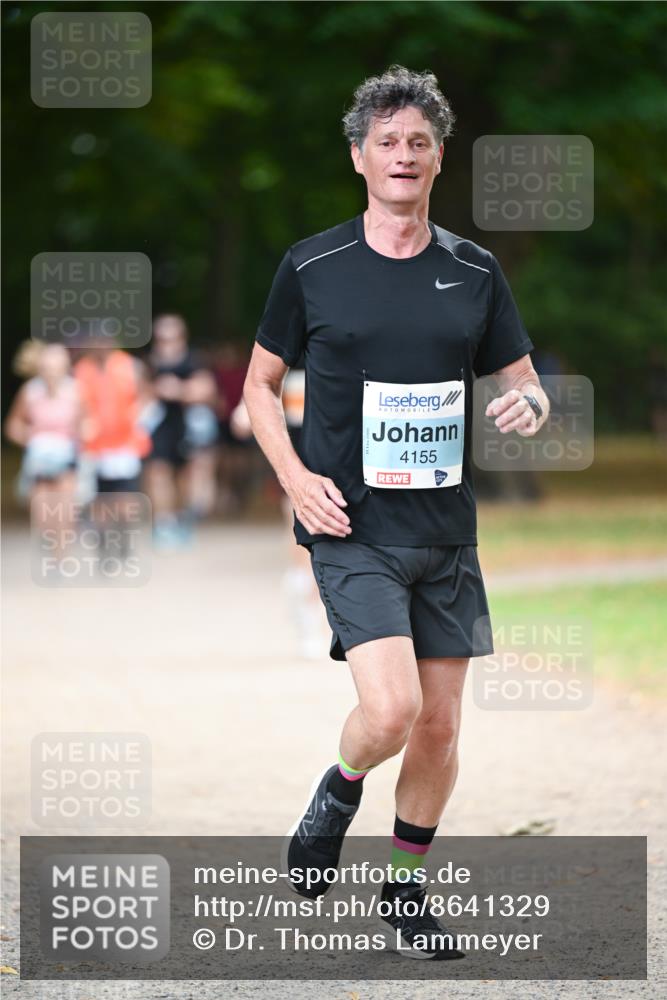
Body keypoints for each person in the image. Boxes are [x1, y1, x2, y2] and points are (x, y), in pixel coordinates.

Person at [243, 65, 550, 960]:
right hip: (350, 526)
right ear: (359, 157)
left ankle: (405, 891)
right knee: (391, 712)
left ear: (439, 157)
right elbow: (260, 386)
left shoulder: (474, 269)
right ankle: (337, 792)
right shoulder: (312, 265)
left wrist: (528, 406)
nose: (403, 155)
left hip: (445, 532)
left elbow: (523, 381)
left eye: (418, 142)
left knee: (441, 726)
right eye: (386, 142)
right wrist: (294, 478)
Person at [144, 315, 219, 547]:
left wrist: (179, 390)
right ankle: (164, 524)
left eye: (171, 337)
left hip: (187, 425)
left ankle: (183, 520)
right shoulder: (152, 362)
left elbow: (207, 390)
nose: (166, 343)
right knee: (158, 472)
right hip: (160, 425)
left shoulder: (193, 360)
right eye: (161, 338)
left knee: (186, 477)